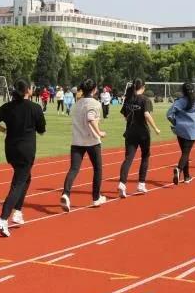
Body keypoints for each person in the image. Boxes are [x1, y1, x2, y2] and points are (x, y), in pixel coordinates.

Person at [0, 80, 46, 237]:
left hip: (11, 149)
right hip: (26, 150)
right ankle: (3, 217)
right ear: (28, 90)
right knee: (18, 183)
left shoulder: (7, 107)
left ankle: (18, 212)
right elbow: (42, 130)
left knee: (26, 178)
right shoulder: (35, 108)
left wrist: (4, 130)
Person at [61, 79, 107, 211]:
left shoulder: (77, 104)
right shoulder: (95, 103)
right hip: (92, 141)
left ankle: (66, 193)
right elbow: (90, 118)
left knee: (73, 169)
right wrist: (99, 132)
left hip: (77, 141)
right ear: (94, 90)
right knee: (98, 169)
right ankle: (96, 197)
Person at [118, 79, 161, 197]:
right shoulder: (145, 100)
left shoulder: (128, 99)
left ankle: (122, 183)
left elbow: (125, 115)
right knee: (145, 157)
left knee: (128, 158)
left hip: (130, 132)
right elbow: (146, 115)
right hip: (143, 133)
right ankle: (141, 184)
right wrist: (156, 128)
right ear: (143, 87)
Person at [167, 82, 195, 184]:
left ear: (183, 91)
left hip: (180, 130)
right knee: (186, 153)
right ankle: (179, 169)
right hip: (192, 131)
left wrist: (175, 122)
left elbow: (169, 115)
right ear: (193, 90)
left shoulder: (179, 102)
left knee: (185, 153)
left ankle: (187, 176)